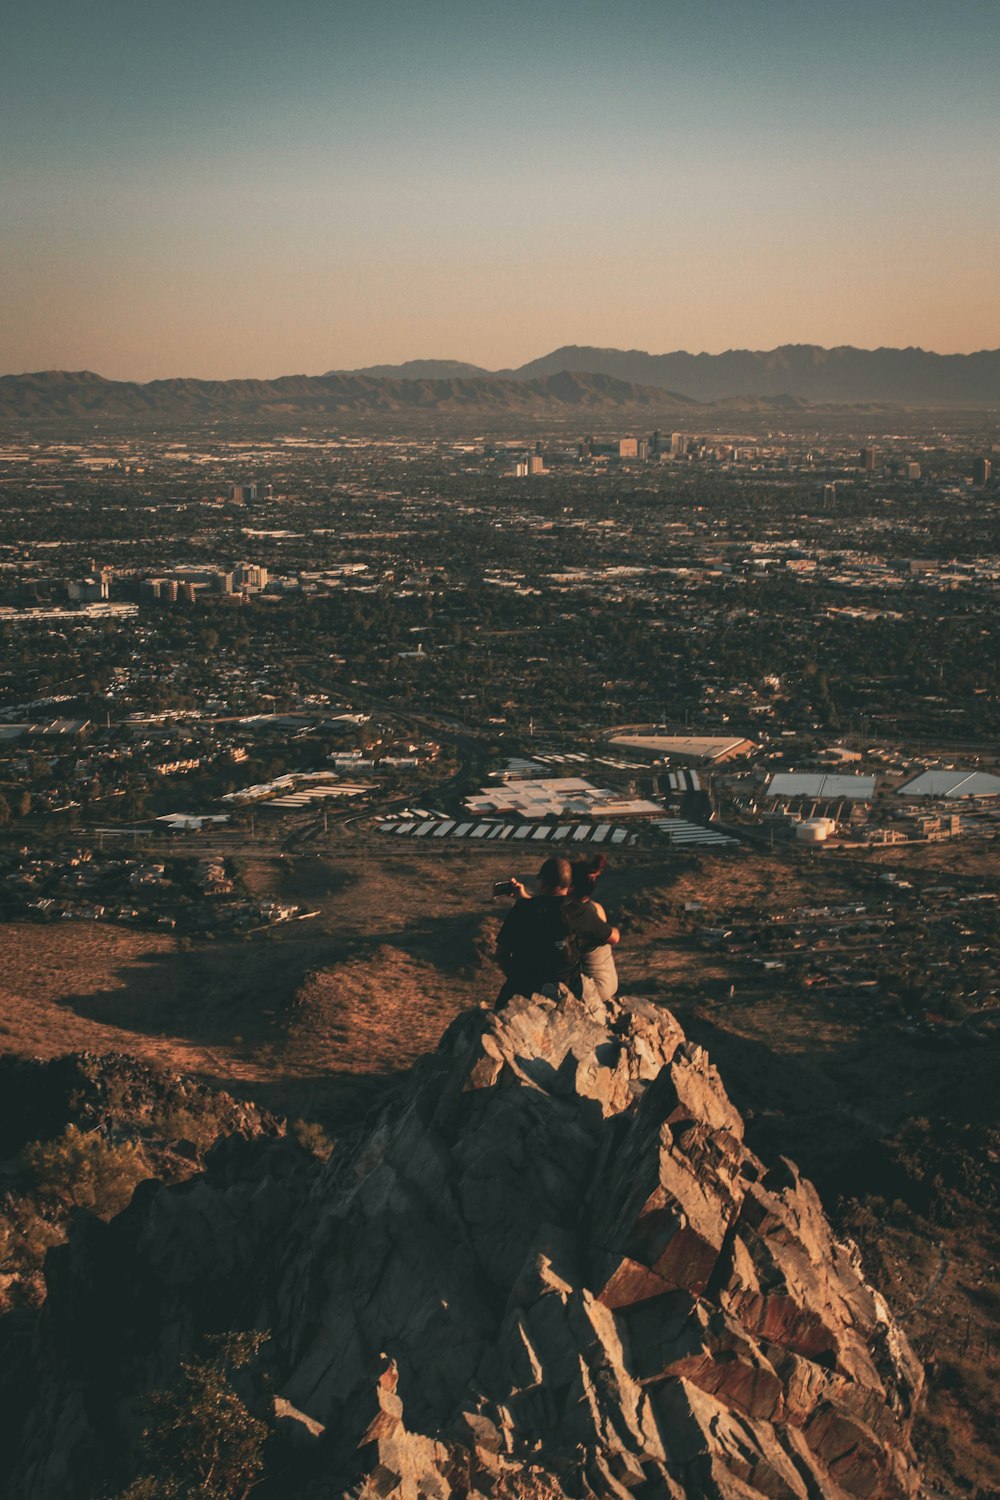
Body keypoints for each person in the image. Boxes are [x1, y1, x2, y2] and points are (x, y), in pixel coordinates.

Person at [494, 855, 619, 1009]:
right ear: (569, 883)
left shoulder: (522, 909)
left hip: (522, 990)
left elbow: (501, 954)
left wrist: (518, 979)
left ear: (542, 882)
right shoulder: (582, 913)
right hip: (563, 996)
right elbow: (614, 937)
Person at [570, 854, 619, 1001]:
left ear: (571, 887)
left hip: (593, 988)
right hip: (610, 981)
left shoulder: (578, 914)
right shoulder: (596, 908)